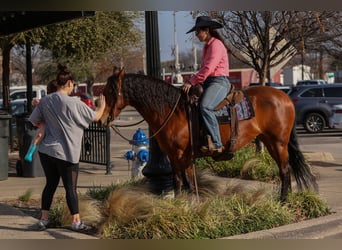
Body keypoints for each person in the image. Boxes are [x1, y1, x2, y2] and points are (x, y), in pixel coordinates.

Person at [28, 64, 106, 232]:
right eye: (73, 85)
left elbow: (34, 120)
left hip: (46, 151)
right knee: (70, 188)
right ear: (69, 83)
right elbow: (96, 117)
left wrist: (45, 123)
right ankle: (76, 222)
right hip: (66, 153)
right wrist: (102, 105)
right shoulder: (73, 103)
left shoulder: (46, 100)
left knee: (50, 184)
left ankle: (44, 219)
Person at [182, 16, 231, 154]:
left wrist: (192, 81)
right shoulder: (208, 46)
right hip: (209, 82)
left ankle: (217, 143)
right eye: (196, 32)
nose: (197, 35)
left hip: (219, 82)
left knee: (205, 107)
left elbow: (208, 68)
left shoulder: (216, 45)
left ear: (206, 30)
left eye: (198, 32)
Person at [25, 80, 58, 162]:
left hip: (47, 122)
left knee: (40, 134)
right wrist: (35, 102)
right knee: (40, 134)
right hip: (44, 121)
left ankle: (30, 152)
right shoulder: (46, 100)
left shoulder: (57, 100)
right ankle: (30, 152)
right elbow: (35, 102)